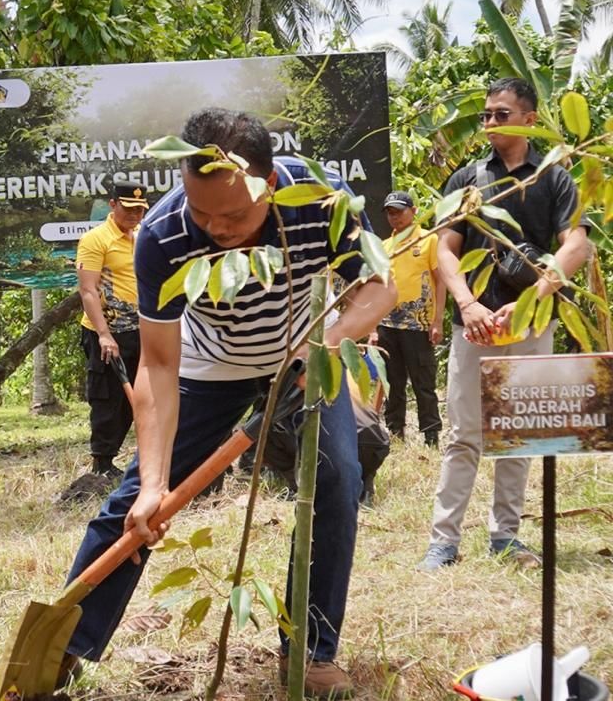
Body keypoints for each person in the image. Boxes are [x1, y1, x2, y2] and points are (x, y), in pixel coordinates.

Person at [56, 108, 396, 699]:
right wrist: (156, 482)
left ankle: (313, 653)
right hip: (207, 365)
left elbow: (380, 286)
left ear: (268, 183)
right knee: (135, 503)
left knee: (337, 482)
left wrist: (323, 348)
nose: (216, 227)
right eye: (202, 211)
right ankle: (65, 647)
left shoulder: (321, 199)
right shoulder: (163, 233)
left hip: (306, 352)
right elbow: (158, 363)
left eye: (234, 214)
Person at [418, 77, 591, 573]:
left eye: (501, 114)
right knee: (463, 434)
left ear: (530, 120)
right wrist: (468, 304)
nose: (490, 122)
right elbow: (444, 250)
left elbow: (574, 246)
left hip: (530, 326)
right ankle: (443, 541)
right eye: (487, 115)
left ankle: (505, 536)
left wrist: (532, 302)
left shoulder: (555, 177)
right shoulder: (466, 179)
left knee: (516, 433)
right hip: (473, 329)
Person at [75, 181, 149, 477]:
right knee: (108, 397)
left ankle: (127, 458)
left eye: (140, 209)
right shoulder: (96, 239)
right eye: (129, 208)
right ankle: (102, 463)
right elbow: (88, 290)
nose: (134, 215)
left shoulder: (144, 236)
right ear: (113, 204)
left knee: (140, 395)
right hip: (107, 331)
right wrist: (104, 334)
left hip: (141, 330)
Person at [375, 191, 445, 446]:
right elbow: (377, 287)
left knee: (423, 381)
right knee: (393, 382)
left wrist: (437, 321)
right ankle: (395, 433)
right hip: (387, 324)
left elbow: (441, 281)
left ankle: (431, 435)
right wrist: (373, 327)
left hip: (419, 324)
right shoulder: (384, 247)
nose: (395, 218)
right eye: (390, 213)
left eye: (399, 211)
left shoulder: (429, 240)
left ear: (413, 211)